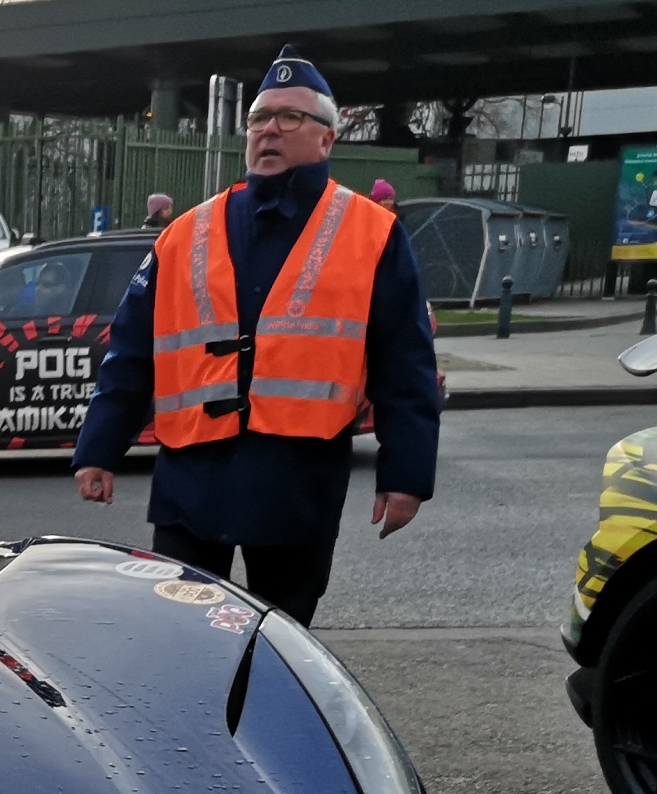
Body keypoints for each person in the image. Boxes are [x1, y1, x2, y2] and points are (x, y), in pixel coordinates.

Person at [70, 44, 440, 625]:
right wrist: (98, 449)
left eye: (289, 117)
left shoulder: (373, 233)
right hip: (192, 482)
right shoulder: (186, 233)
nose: (269, 129)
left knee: (282, 644)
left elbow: (405, 363)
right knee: (182, 638)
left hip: (296, 483)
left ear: (326, 138)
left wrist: (406, 475)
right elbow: (132, 352)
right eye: (259, 118)